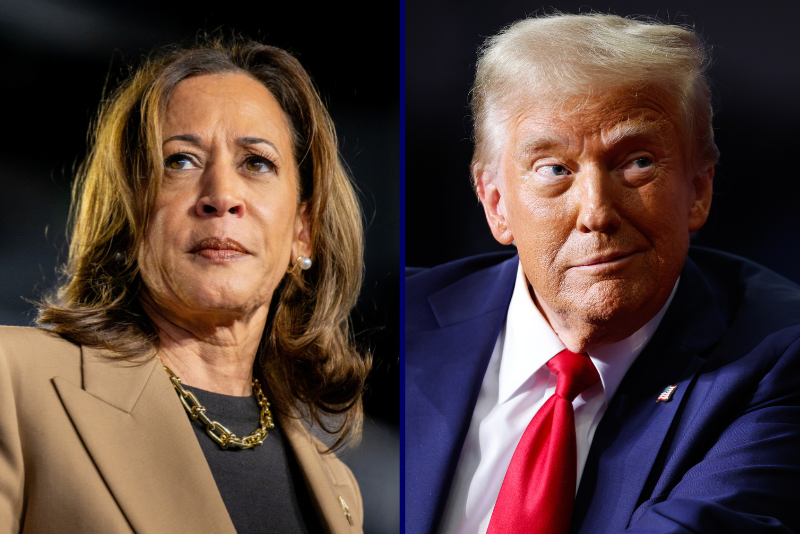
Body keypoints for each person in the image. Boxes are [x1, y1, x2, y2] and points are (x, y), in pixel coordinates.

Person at [406, 13, 800, 534]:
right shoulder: (396, 325)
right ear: (496, 203)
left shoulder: (779, 358)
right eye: (555, 169)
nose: (596, 211)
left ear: (698, 190)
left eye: (636, 162)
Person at [0, 38, 368, 533]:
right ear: (129, 215)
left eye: (256, 162)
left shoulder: (338, 486)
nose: (221, 195)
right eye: (180, 161)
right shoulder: (14, 382)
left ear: (303, 231)